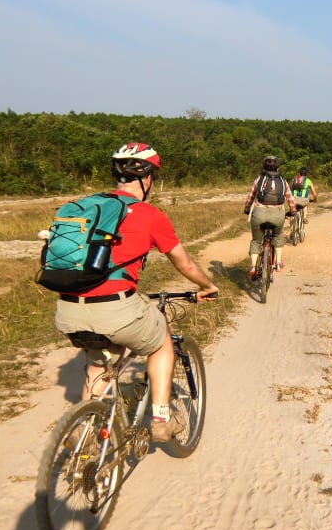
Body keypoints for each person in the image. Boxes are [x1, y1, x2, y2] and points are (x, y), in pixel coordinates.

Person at [53, 142, 219, 443]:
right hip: (115, 311)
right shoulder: (149, 215)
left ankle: (84, 433)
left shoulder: (87, 205)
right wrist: (206, 286)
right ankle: (160, 420)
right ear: (147, 178)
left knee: (98, 363)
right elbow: (184, 263)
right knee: (161, 343)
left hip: (68, 310)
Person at [244, 155, 296, 277]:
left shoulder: (259, 179)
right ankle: (278, 263)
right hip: (277, 215)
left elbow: (251, 196)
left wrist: (247, 209)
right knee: (278, 235)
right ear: (277, 167)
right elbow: (291, 199)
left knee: (256, 240)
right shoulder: (283, 181)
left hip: (259, 214)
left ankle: (253, 267)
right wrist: (292, 211)